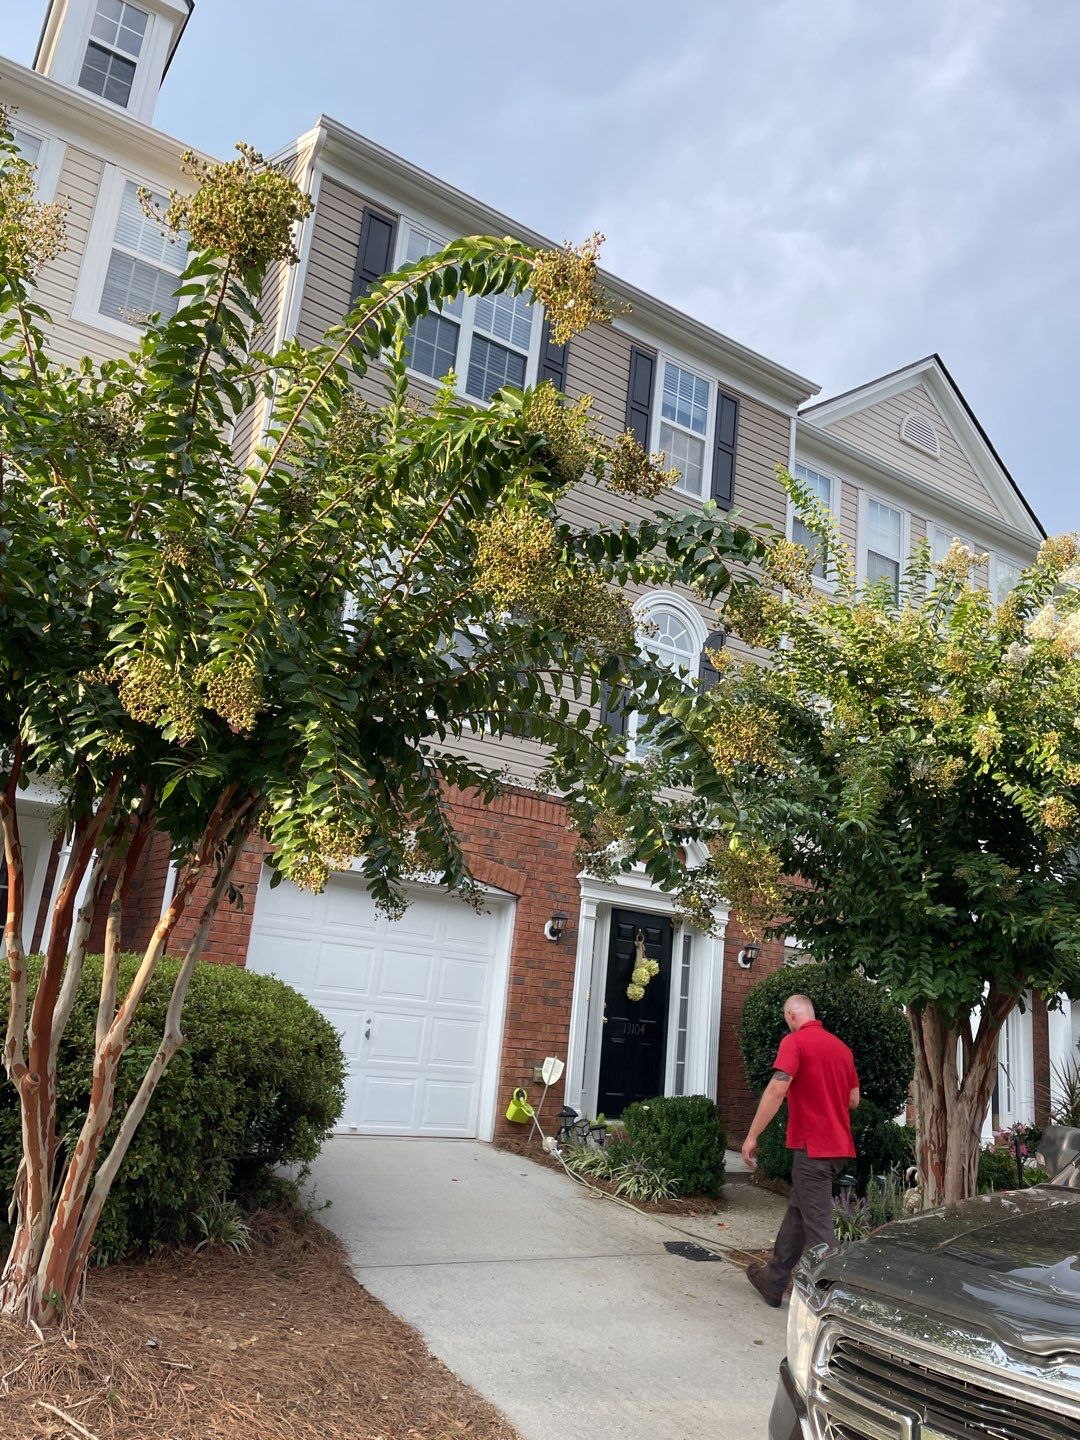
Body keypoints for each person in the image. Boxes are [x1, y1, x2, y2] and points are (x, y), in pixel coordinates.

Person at [739, 994, 860, 1306]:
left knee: (820, 1231)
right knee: (798, 1213)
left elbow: (778, 1088)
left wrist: (752, 1136)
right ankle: (773, 1280)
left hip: (813, 1149)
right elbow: (853, 1100)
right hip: (838, 1149)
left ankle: (836, 1303)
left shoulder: (795, 1042)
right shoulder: (842, 1049)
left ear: (792, 1015)